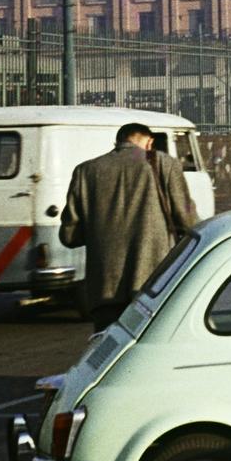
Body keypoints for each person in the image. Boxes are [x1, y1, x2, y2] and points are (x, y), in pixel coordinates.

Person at [61, 121, 200, 330]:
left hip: (104, 288)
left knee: (108, 350)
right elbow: (187, 219)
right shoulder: (164, 163)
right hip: (152, 284)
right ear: (149, 142)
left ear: (118, 142)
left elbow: (69, 236)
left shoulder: (85, 171)